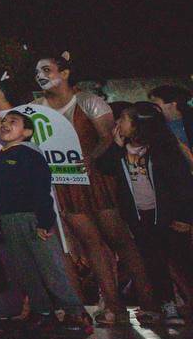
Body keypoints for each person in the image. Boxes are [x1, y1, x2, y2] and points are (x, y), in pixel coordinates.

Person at [34, 53, 153, 325]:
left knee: (120, 239)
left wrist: (89, 158)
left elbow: (109, 138)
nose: (40, 75)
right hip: (64, 184)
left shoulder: (88, 101)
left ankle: (150, 301)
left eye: (47, 69)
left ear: (64, 73)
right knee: (91, 244)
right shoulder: (37, 108)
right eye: (37, 71)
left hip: (96, 180)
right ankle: (112, 305)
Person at [0, 111, 90, 331]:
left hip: (32, 218)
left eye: (13, 122)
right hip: (9, 219)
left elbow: (41, 189)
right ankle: (42, 311)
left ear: (26, 132)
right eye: (4, 122)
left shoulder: (30, 155)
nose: (5, 125)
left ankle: (75, 313)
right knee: (25, 269)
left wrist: (45, 220)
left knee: (49, 266)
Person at [98, 104, 193, 326]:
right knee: (154, 261)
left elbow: (182, 185)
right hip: (140, 216)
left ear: (139, 125)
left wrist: (185, 217)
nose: (118, 123)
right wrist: (115, 146)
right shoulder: (122, 149)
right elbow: (105, 167)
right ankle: (167, 306)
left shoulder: (163, 149)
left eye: (123, 119)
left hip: (168, 216)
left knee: (181, 260)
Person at [148, 85, 193, 167]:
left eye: (156, 104)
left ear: (173, 104)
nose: (153, 107)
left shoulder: (189, 122)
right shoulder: (156, 127)